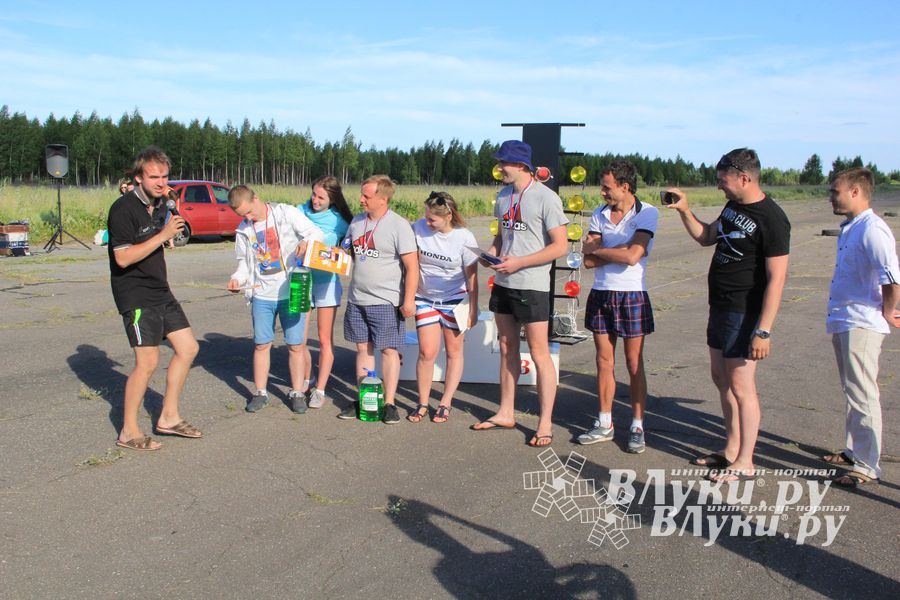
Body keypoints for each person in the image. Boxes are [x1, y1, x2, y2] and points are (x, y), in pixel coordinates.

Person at [666, 148, 790, 481]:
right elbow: (707, 236)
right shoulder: (733, 207)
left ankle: (746, 461)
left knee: (742, 386)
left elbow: (777, 278)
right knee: (721, 379)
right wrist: (684, 210)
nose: (720, 186)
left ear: (745, 178)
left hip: (745, 311)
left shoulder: (772, 218)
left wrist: (763, 330)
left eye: (724, 181)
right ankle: (731, 449)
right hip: (719, 304)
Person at [471, 140, 568, 447]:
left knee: (539, 353)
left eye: (504, 164)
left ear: (522, 166)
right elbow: (503, 236)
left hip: (532, 284)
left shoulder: (546, 198)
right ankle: (506, 411)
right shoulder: (503, 196)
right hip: (504, 283)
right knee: (505, 344)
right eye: (499, 163)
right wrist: (490, 255)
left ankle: (545, 423)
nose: (499, 168)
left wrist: (521, 262)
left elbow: (560, 246)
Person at [106, 146, 201, 451]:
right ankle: (128, 432)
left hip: (160, 289)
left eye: (165, 176)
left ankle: (169, 417)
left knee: (188, 348)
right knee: (147, 363)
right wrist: (161, 236)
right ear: (137, 178)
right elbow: (122, 258)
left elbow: (160, 231)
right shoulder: (122, 210)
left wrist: (167, 232)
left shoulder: (161, 204)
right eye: (154, 177)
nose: (161, 182)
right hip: (134, 294)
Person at [822, 167, 899, 487]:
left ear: (855, 192)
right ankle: (855, 451)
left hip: (862, 322)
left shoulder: (873, 229)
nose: (831, 197)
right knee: (852, 391)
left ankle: (867, 465)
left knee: (864, 393)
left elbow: (892, 277)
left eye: (835, 191)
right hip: (845, 319)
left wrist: (890, 311)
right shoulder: (851, 227)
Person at [578, 161, 658, 454]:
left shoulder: (647, 212)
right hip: (601, 293)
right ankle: (604, 423)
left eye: (607, 188)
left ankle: (637, 425)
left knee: (634, 364)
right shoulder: (599, 214)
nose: (602, 193)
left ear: (625, 187)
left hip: (632, 295)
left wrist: (598, 250)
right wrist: (613, 252)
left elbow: (634, 255)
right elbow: (588, 262)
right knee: (603, 361)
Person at [226, 185, 325, 413]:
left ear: (256, 199)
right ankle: (260, 392)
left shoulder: (285, 213)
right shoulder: (244, 230)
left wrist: (306, 243)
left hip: (291, 291)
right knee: (261, 344)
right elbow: (243, 263)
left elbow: (315, 232)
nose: (248, 218)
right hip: (262, 294)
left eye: (249, 212)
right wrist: (236, 279)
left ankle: (297, 391)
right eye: (243, 216)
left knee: (296, 345)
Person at [340, 175, 418, 424]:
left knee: (388, 350)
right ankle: (365, 398)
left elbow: (412, 267)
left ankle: (389, 403)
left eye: (366, 196)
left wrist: (408, 301)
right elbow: (345, 252)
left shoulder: (399, 225)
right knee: (363, 349)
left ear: (383, 199)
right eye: (361, 194)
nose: (360, 199)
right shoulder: (357, 221)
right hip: (357, 299)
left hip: (385, 301)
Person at [408, 191, 479, 424]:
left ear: (448, 216)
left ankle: (446, 402)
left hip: (454, 300)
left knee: (453, 351)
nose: (427, 222)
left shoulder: (464, 237)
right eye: (426, 217)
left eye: (432, 219)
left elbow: (472, 278)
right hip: (424, 298)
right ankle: (423, 402)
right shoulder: (418, 227)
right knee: (427, 352)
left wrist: (473, 308)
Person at [299, 175, 354, 408]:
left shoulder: (340, 221)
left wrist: (341, 252)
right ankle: (306, 379)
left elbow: (349, 251)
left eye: (321, 197)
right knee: (298, 339)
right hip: (300, 280)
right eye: (313, 194)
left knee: (323, 339)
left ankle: (320, 390)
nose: (315, 200)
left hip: (327, 283)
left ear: (332, 199)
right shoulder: (299, 211)